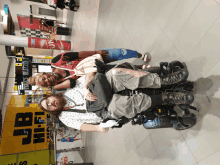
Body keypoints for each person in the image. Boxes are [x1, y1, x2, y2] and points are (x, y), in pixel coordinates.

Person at [38, 62, 193, 133]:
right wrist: (98, 128)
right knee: (118, 106)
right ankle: (168, 98)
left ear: (52, 96)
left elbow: (90, 74)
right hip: (105, 109)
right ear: (53, 111)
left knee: (115, 73)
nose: (51, 103)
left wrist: (85, 88)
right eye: (49, 106)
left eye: (49, 101)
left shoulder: (68, 91)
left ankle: (163, 81)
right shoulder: (65, 117)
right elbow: (82, 127)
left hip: (103, 88)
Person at [29, 49, 151, 90]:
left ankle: (138, 55)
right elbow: (72, 83)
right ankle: (140, 67)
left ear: (44, 73)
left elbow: (78, 54)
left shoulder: (56, 62)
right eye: (46, 84)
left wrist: (96, 52)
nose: (47, 80)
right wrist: (54, 86)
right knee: (119, 69)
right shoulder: (62, 83)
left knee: (119, 53)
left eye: (44, 78)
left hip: (94, 57)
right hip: (96, 69)